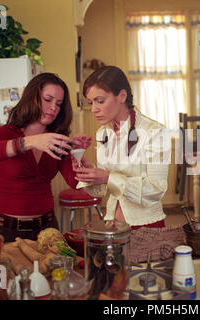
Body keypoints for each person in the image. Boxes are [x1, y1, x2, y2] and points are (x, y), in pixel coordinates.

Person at [0, 72, 80, 242]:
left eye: (58, 104)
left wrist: (78, 159)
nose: (53, 107)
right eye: (48, 99)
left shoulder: (56, 138)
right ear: (32, 97)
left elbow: (76, 183)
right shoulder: (7, 133)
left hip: (46, 230)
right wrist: (29, 142)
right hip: (3, 231)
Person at [73, 66, 170, 230]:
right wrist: (89, 172)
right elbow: (101, 191)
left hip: (146, 227)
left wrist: (107, 177)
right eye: (91, 102)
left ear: (122, 96)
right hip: (113, 224)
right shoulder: (103, 133)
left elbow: (156, 190)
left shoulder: (155, 132)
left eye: (100, 101)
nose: (94, 108)